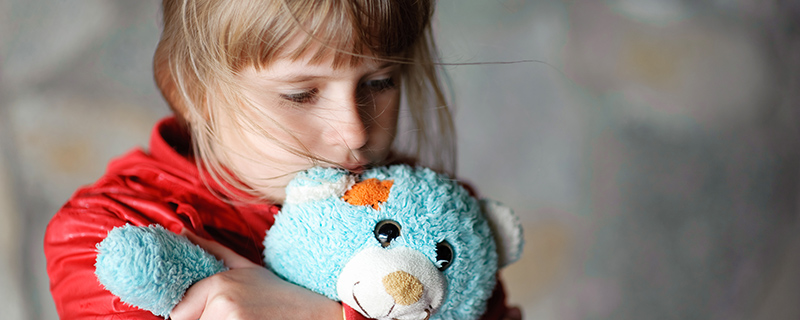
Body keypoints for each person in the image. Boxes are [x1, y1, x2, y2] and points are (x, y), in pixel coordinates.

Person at [44, 0, 521, 319]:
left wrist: (318, 314)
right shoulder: (105, 232)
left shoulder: (435, 218)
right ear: (197, 93)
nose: (354, 131)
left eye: (379, 83)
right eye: (300, 94)